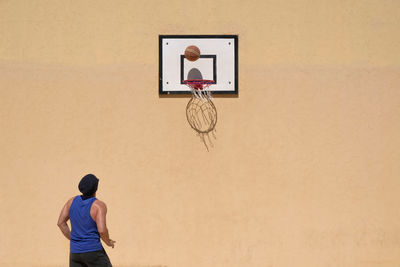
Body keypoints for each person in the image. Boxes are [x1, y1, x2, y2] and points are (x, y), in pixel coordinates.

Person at [57, 174, 115, 267]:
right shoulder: (98, 206)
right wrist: (108, 241)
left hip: (75, 253)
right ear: (96, 189)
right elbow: (102, 230)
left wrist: (74, 239)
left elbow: (60, 223)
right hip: (93, 252)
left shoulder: (71, 202)